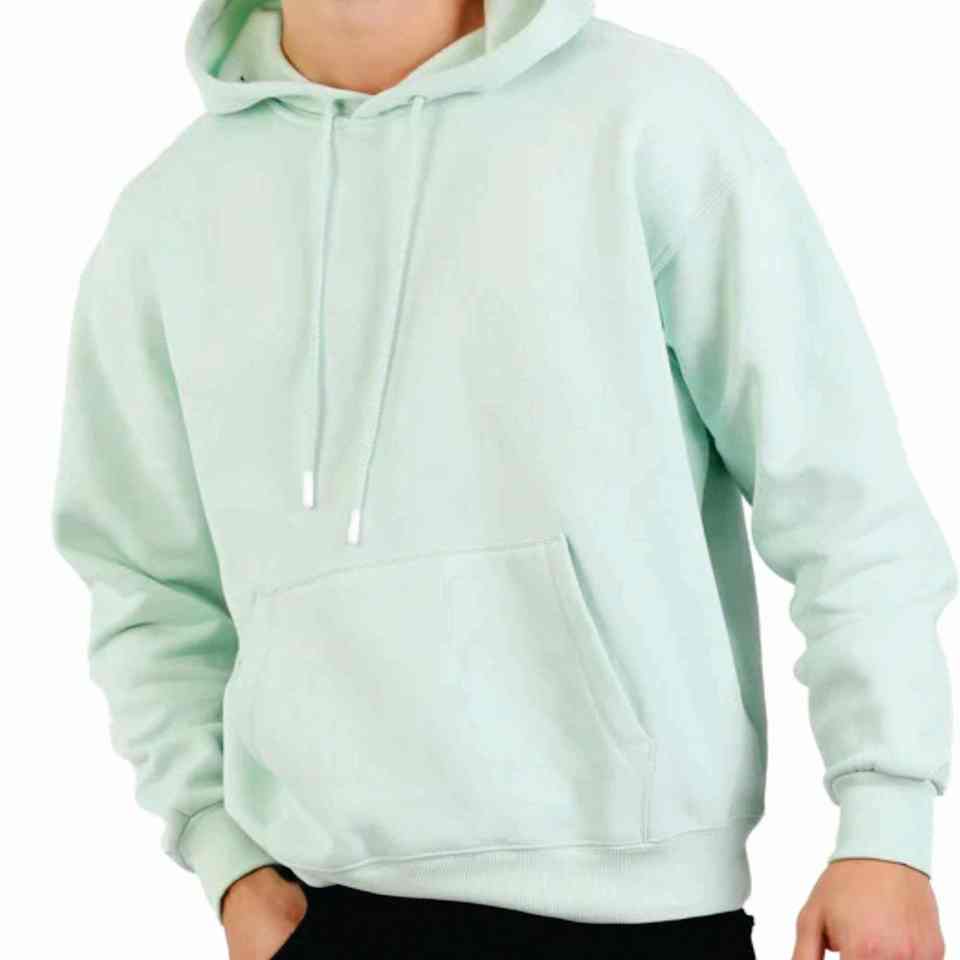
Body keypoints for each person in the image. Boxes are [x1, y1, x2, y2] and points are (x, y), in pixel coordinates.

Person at [52, 1, 956, 958]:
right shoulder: (167, 218)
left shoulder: (647, 118)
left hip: (642, 912)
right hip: (326, 909)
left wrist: (886, 821)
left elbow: (839, 497)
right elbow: (146, 583)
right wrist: (223, 852)